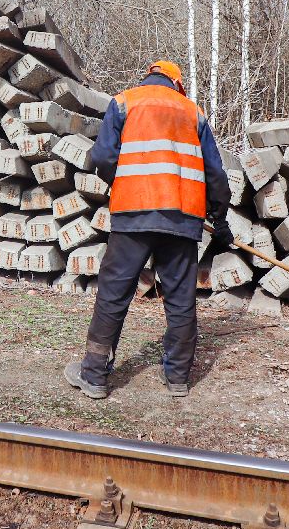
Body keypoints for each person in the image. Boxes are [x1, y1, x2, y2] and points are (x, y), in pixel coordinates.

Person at [63, 60, 231, 400]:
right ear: (177, 83)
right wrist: (220, 216)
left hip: (133, 213)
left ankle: (94, 374)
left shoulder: (124, 102)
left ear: (148, 76)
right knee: (181, 297)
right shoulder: (192, 112)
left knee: (114, 292)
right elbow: (215, 172)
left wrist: (124, 184)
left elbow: (103, 157)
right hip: (183, 217)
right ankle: (179, 378)